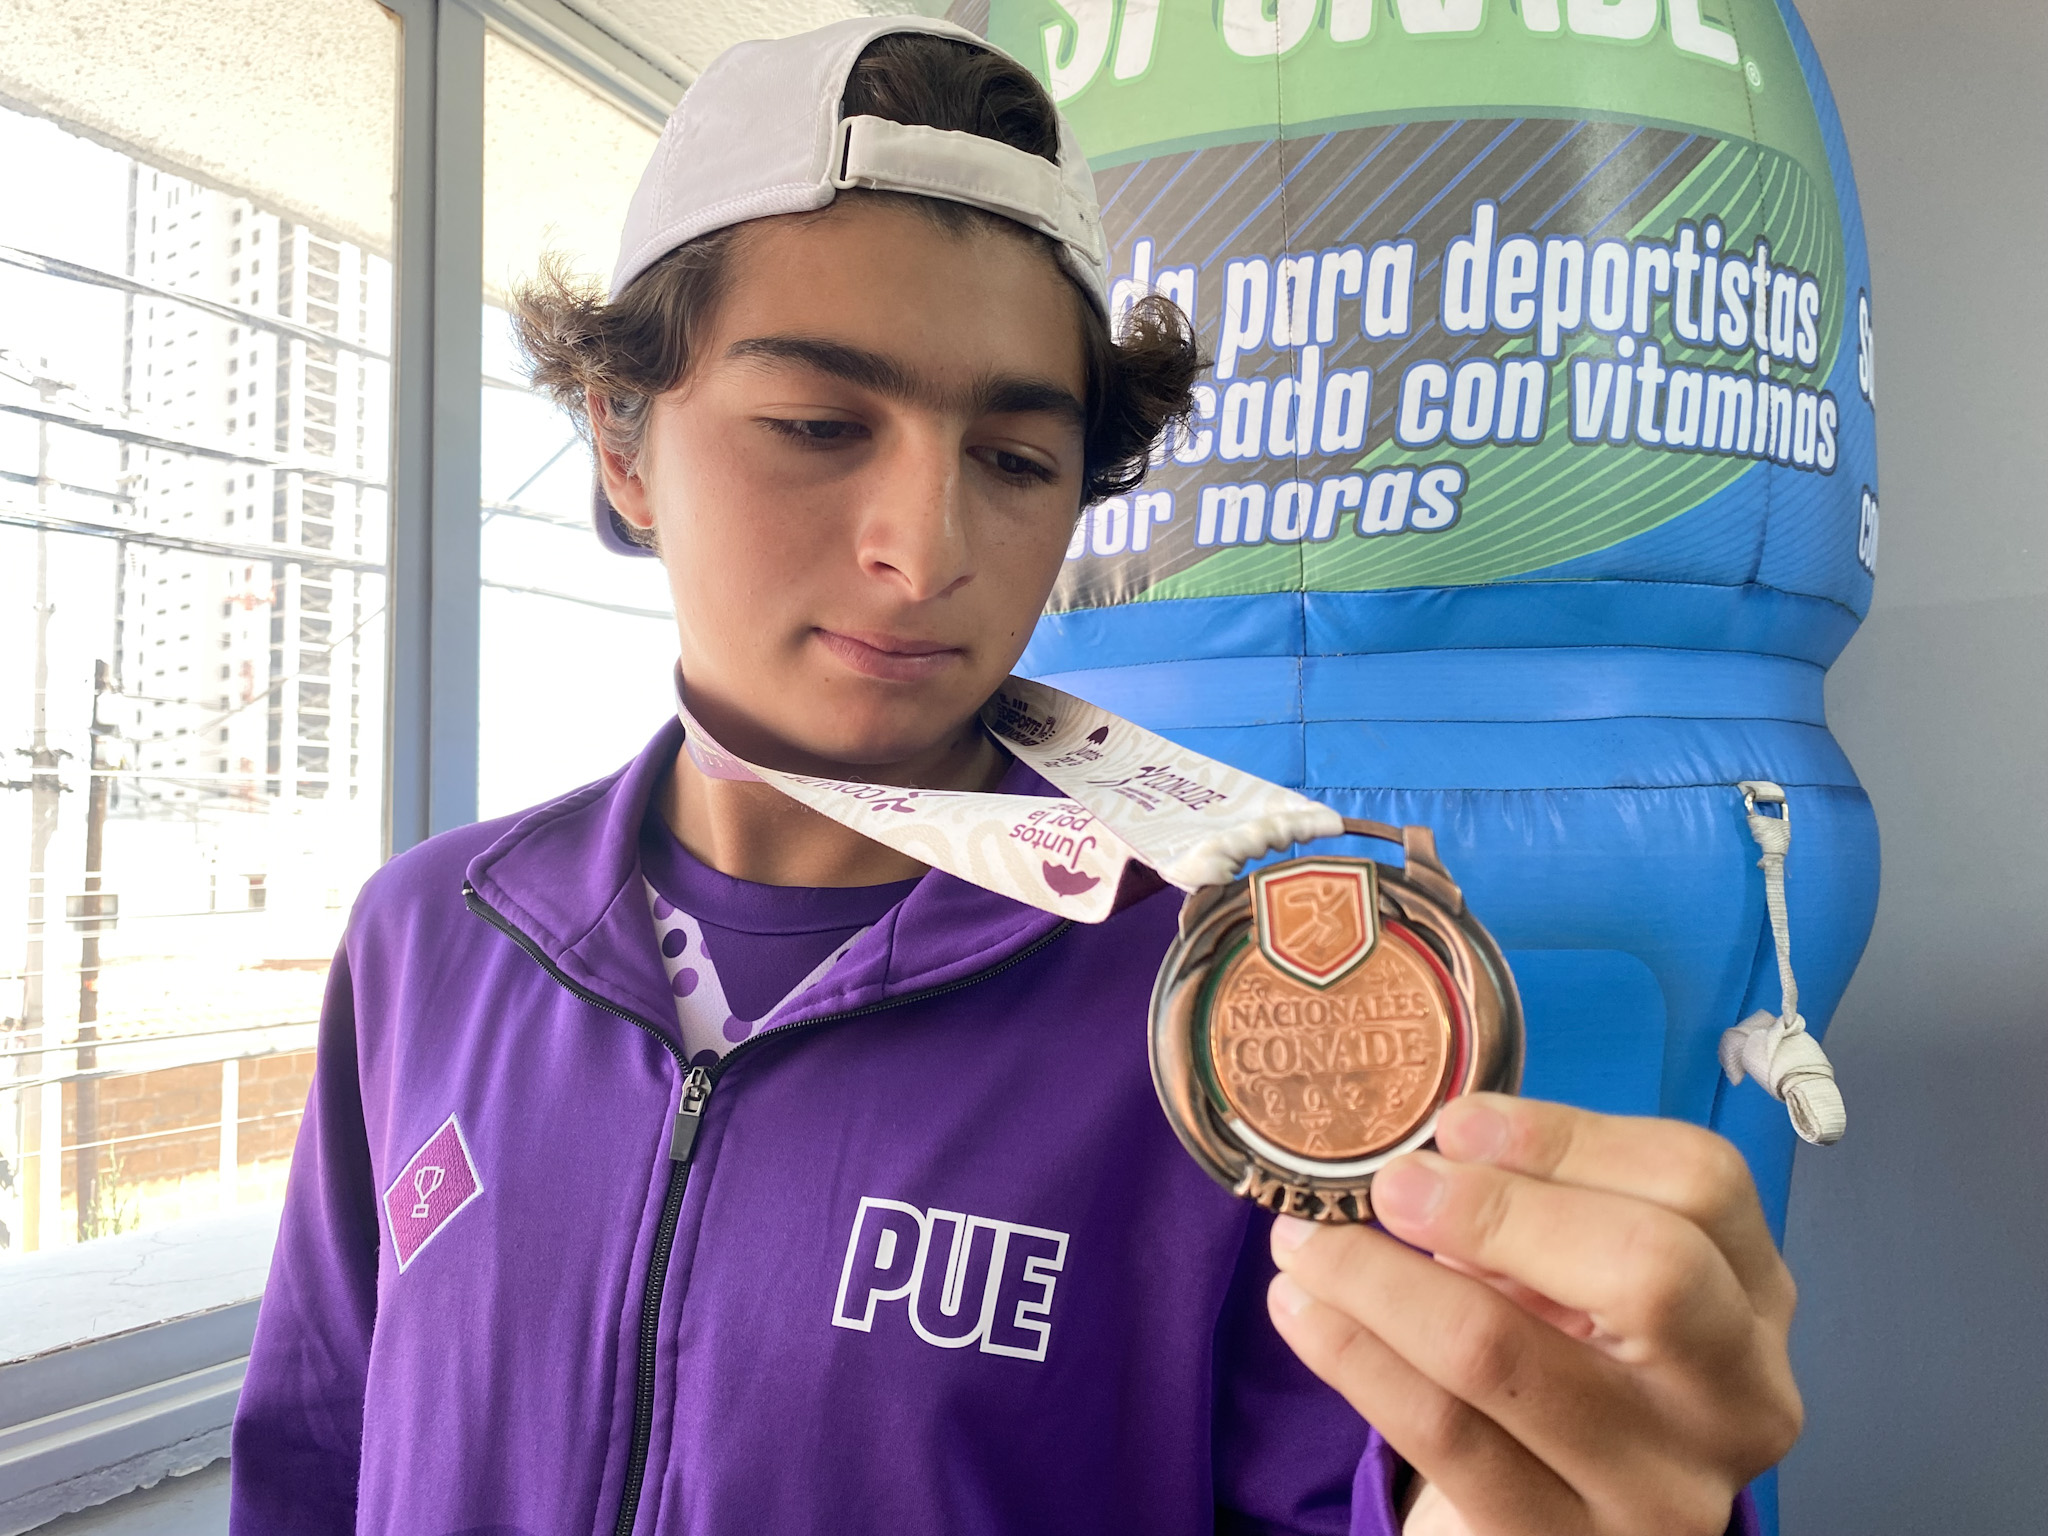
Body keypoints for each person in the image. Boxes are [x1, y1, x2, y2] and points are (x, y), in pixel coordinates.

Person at [229, 18, 1799, 1535]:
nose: (926, 556)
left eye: (1015, 459)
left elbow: (1388, 1493)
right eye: (819, 423)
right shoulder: (429, 939)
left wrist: (1533, 1500)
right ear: (625, 448)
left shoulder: (1234, 1024)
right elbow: (311, 1455)